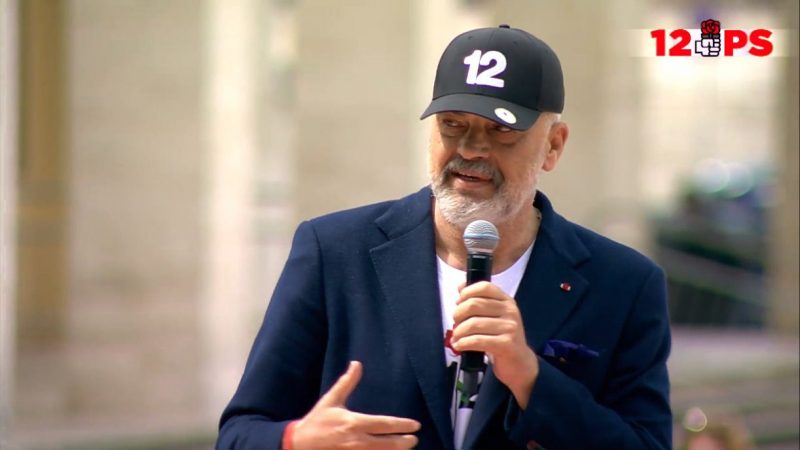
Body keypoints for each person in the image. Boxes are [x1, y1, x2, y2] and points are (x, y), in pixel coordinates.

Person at [216, 25, 672, 450]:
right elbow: (240, 433)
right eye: (453, 124)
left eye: (501, 130)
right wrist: (296, 440)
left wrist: (531, 378)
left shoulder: (624, 284)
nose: (471, 149)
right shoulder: (334, 251)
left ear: (553, 145)